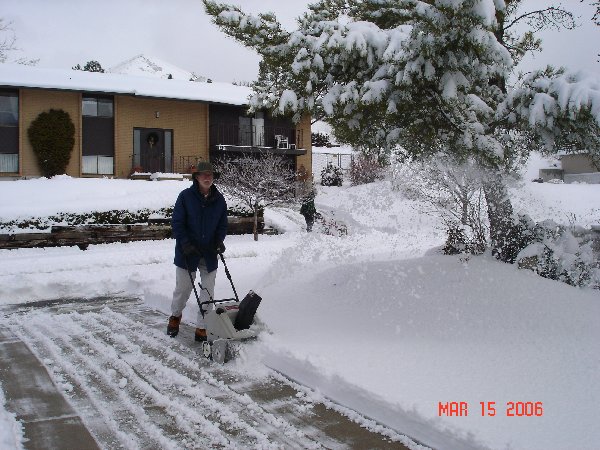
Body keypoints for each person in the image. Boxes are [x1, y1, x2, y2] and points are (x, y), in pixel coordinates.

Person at [167, 161, 228, 342]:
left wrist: (219, 241)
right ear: (197, 177)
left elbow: (222, 224)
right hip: (188, 251)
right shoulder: (185, 197)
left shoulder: (220, 199)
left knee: (208, 291)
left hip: (209, 253)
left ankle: (202, 327)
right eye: (204, 175)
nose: (207, 178)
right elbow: (177, 223)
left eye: (210, 175)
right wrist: (184, 243)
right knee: (183, 289)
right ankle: (175, 317)